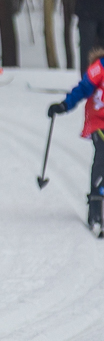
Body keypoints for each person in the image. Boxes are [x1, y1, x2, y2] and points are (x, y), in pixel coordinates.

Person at [47, 48, 104, 235]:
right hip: (98, 121)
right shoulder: (99, 68)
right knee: (102, 155)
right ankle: (95, 207)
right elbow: (83, 89)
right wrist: (64, 105)